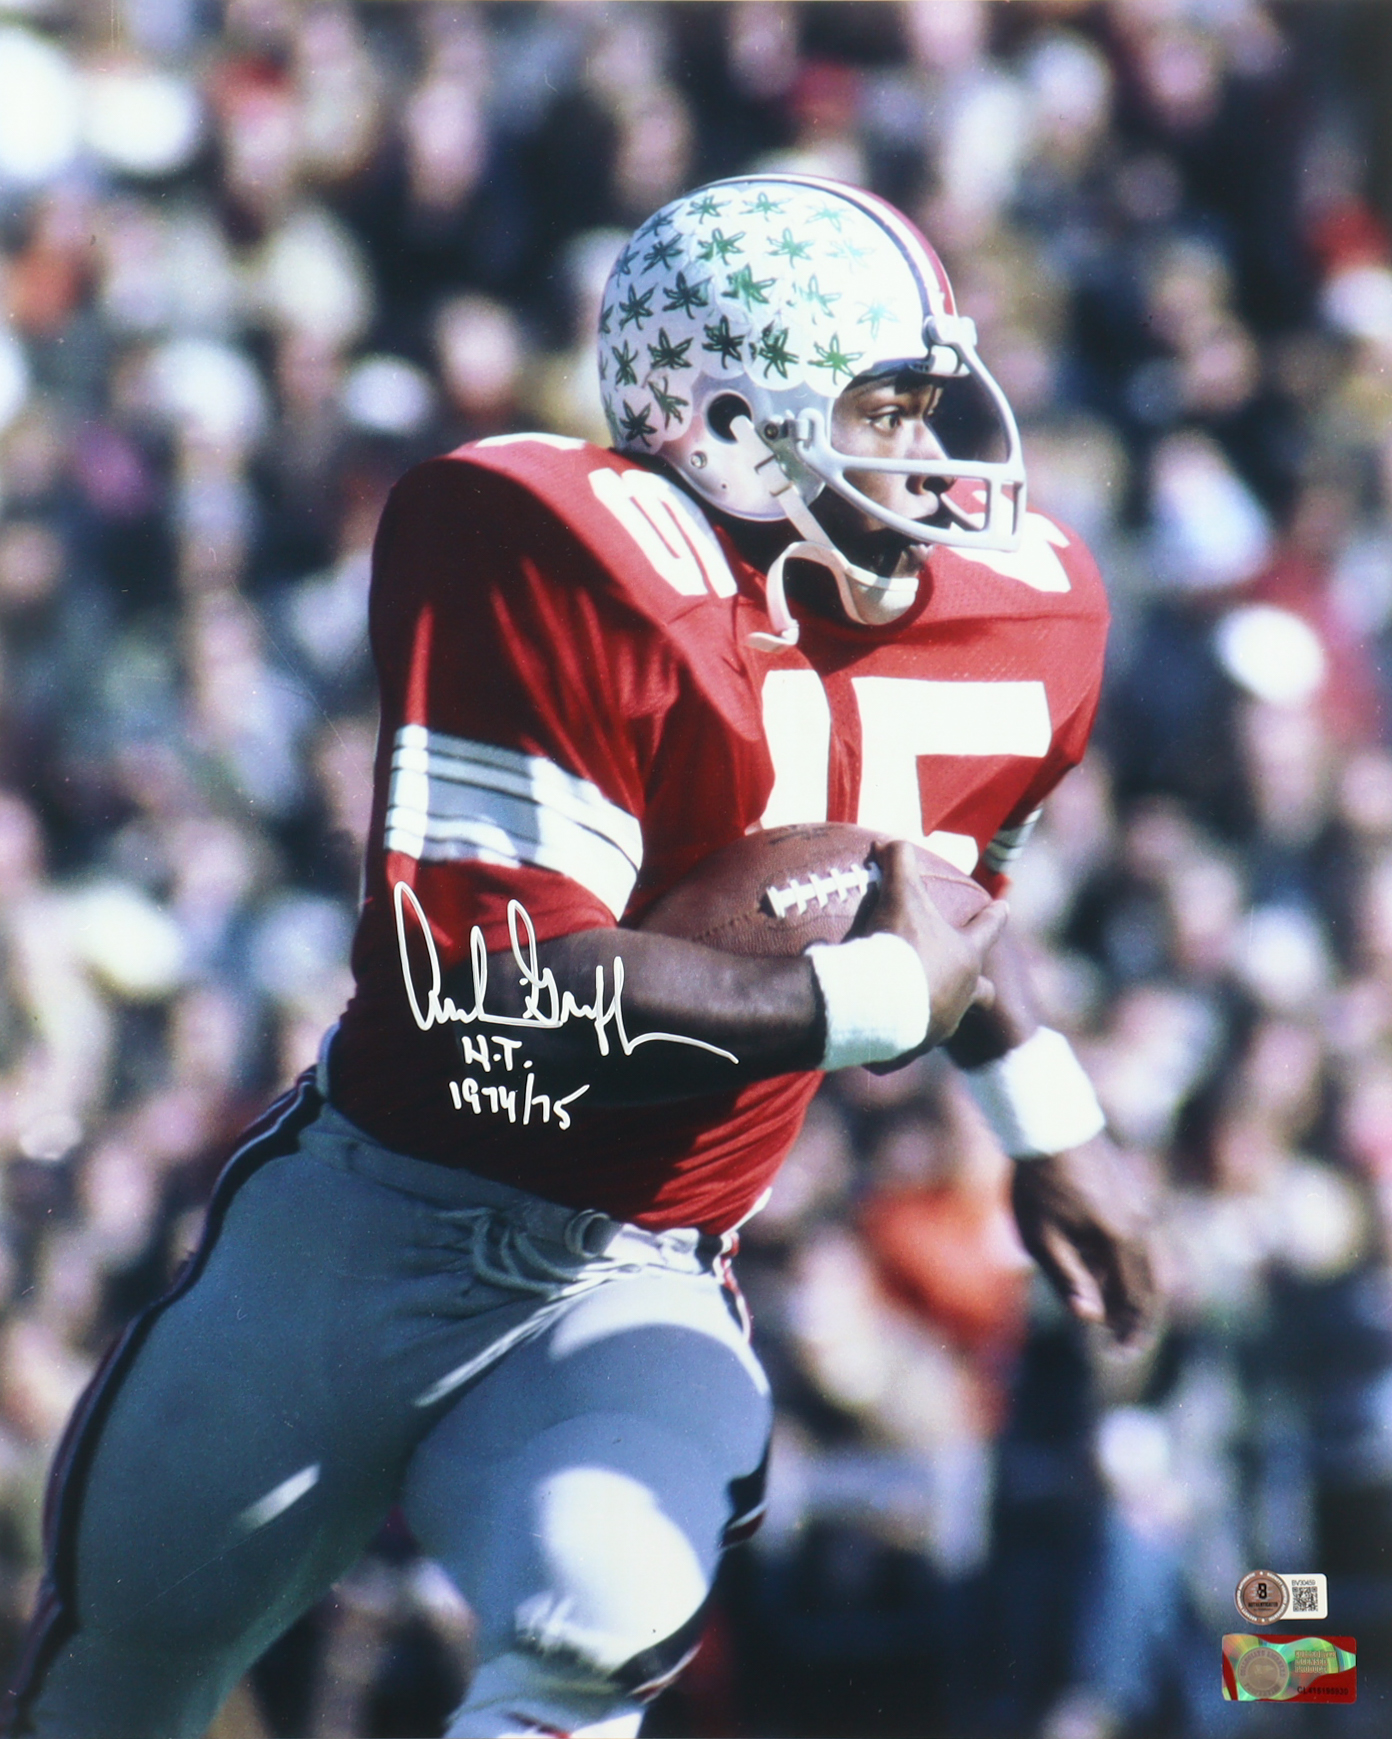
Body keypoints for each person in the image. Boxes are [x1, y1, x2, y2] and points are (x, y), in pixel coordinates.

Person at [4, 175, 1154, 1739]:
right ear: (735, 426)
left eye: (929, 405)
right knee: (121, 1667)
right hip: (370, 1221)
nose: (931, 455)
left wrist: (1052, 1122)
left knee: (591, 1632)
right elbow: (493, 1002)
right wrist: (868, 1002)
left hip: (639, 1265)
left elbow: (942, 905)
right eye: (884, 410)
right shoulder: (560, 556)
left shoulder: (1013, 616)